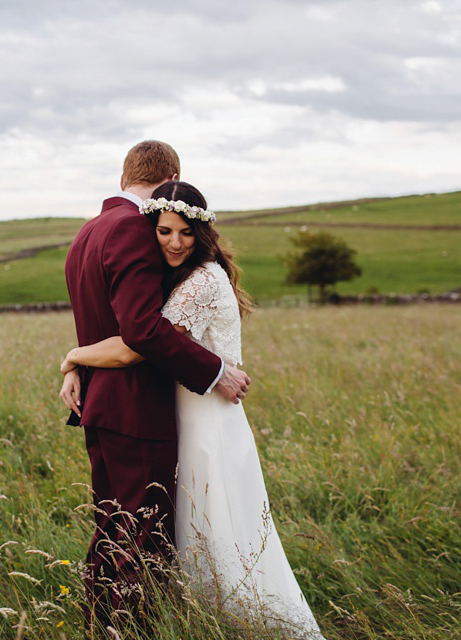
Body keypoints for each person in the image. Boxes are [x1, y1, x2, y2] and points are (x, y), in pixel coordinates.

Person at [60, 181, 325, 639]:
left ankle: (255, 624)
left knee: (219, 526)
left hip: (203, 420)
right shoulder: (187, 276)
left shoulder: (200, 281)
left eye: (185, 232)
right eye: (163, 232)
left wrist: (73, 357)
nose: (174, 242)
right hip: (183, 412)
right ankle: (194, 621)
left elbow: (135, 344)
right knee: (191, 527)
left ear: (201, 233)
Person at [62, 142, 252, 636]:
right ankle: (126, 629)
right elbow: (142, 330)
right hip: (136, 407)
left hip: (100, 403)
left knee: (113, 524)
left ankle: (101, 624)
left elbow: (101, 320)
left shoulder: (88, 231)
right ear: (171, 179)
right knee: (139, 532)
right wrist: (215, 371)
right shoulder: (130, 227)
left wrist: (74, 361)